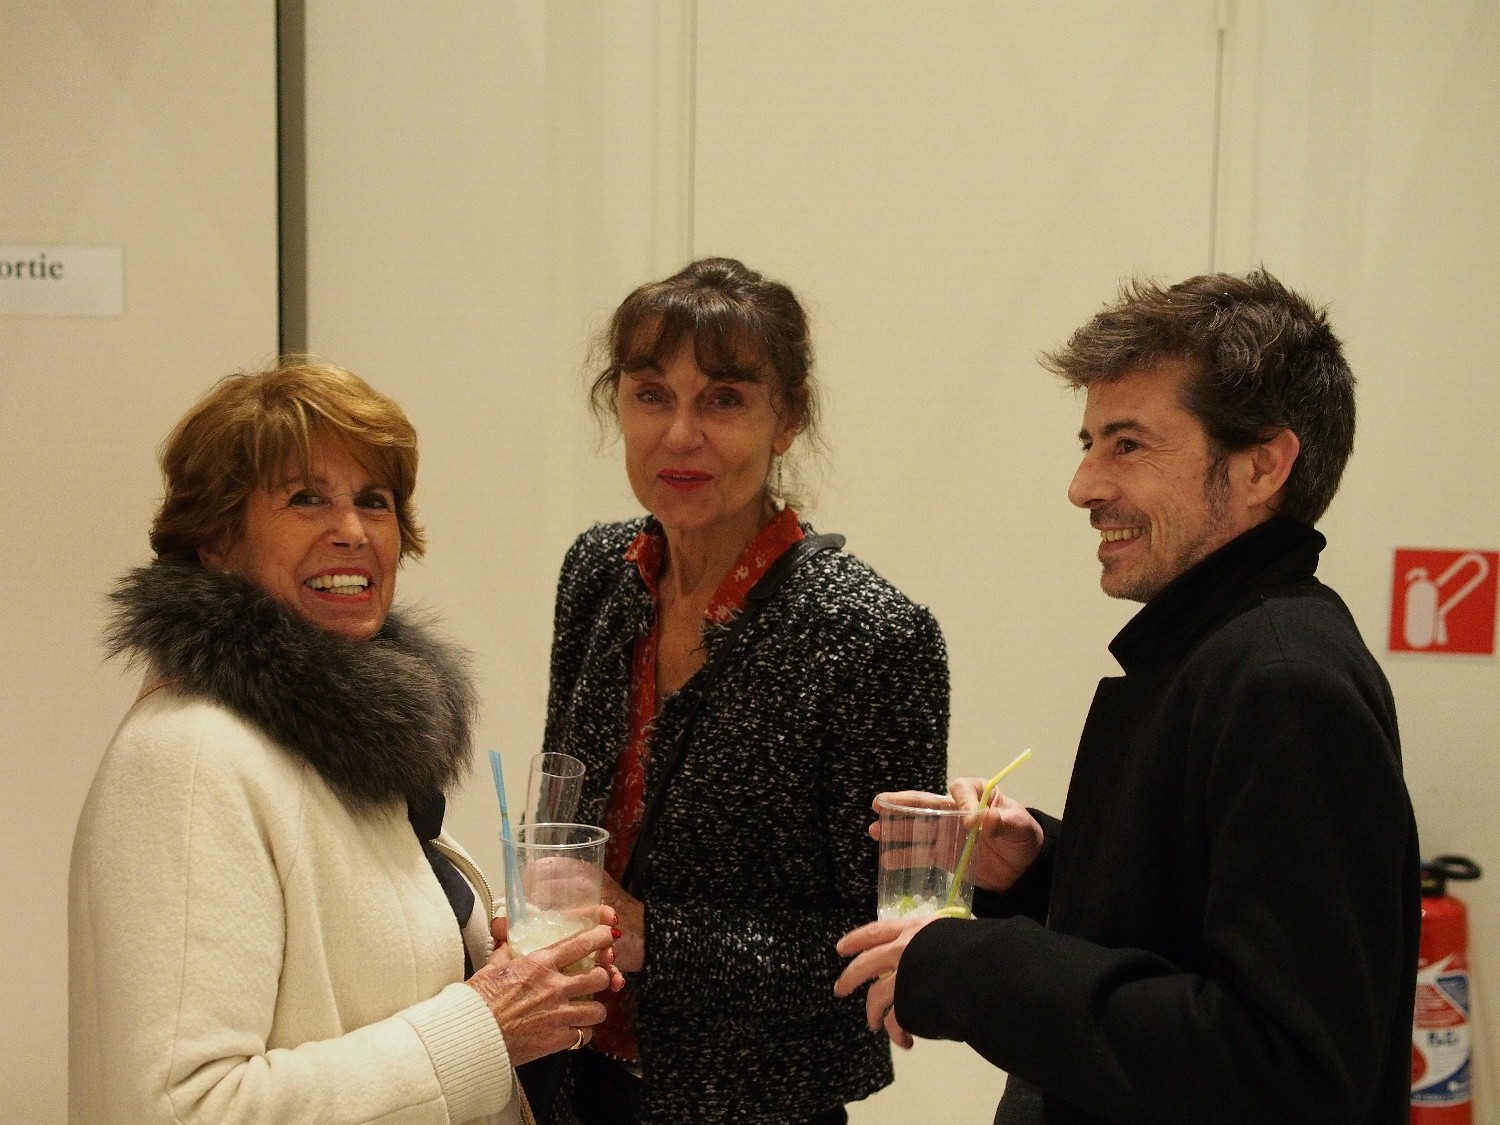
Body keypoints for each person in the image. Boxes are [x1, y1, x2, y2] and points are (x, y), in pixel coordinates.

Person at [836, 270, 1420, 1124]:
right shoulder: (1219, 649)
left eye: (1128, 445)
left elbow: (1284, 1067)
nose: (1083, 485)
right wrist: (1043, 868)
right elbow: (1193, 925)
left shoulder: (1284, 682)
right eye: (1090, 443)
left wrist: (975, 967)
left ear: (1263, 465)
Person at [70, 359, 624, 1124]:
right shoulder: (189, 758)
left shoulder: (332, 748)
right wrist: (485, 1027)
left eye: (374, 500)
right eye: (306, 498)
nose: (353, 531)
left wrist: (513, 969)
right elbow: (183, 1107)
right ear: (218, 539)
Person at [535, 257, 950, 1123]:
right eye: (652, 395)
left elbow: (889, 950)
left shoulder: (872, 635)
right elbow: (565, 818)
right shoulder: (598, 572)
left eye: (723, 399)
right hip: (568, 1077)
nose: (680, 434)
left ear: (787, 417)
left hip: (753, 1106)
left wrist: (657, 938)